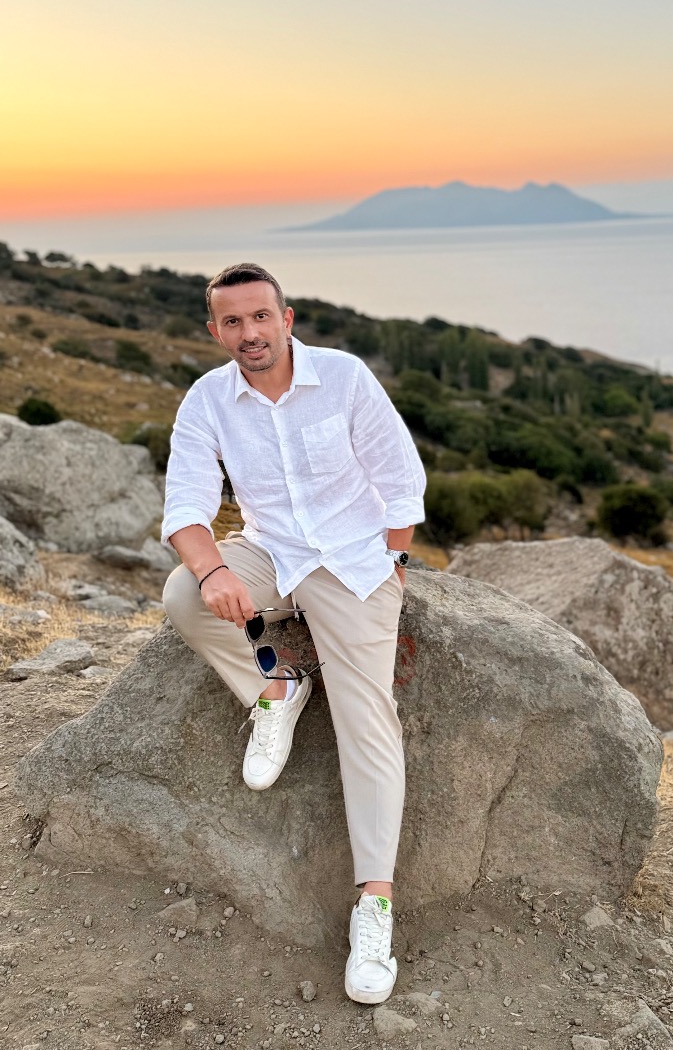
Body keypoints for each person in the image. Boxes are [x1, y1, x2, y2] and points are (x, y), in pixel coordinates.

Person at [161, 262, 426, 1005]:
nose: (249, 333)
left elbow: (400, 476)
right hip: (271, 551)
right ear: (216, 331)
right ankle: (276, 686)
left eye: (260, 317)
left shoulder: (343, 376)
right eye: (233, 322)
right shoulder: (207, 399)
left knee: (366, 718)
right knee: (183, 595)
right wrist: (215, 569)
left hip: (350, 559)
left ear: (286, 319)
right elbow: (184, 506)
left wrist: (394, 559)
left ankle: (374, 904)